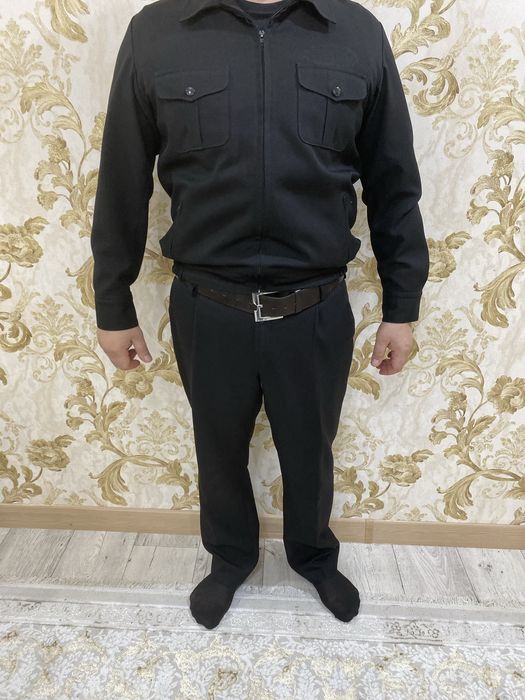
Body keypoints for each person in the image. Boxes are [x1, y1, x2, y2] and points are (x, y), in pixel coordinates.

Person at [90, 0, 430, 629]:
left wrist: (401, 307)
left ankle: (313, 555)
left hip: (315, 307)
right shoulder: (157, 32)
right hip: (207, 305)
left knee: (311, 450)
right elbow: (121, 180)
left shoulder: (356, 34)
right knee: (217, 449)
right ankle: (230, 558)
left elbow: (394, 185)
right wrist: (113, 302)